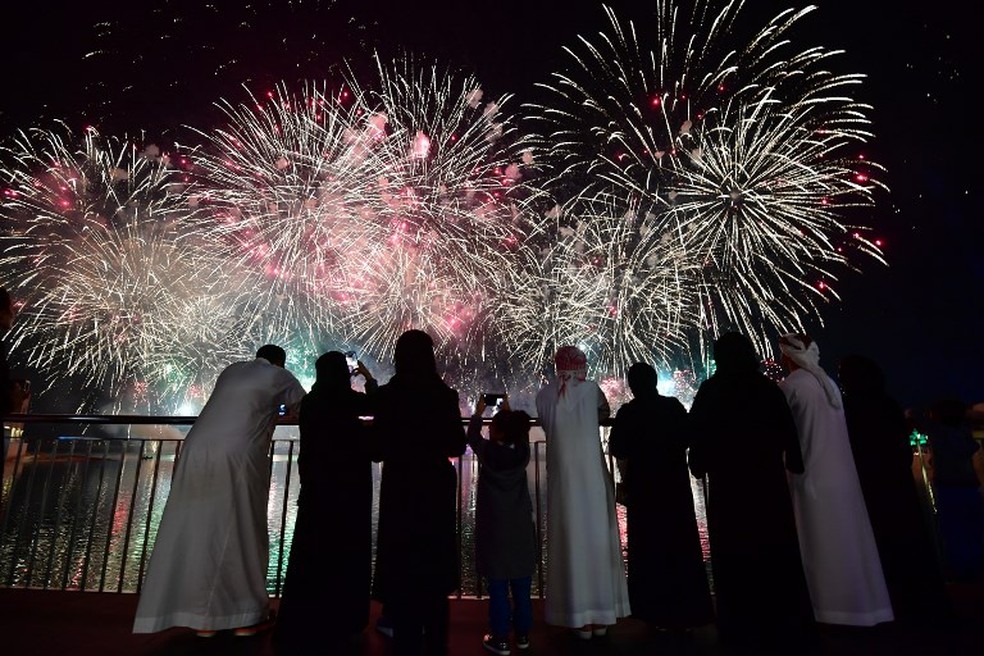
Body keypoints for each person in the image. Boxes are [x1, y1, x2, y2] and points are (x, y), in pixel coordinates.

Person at [132, 344, 307, 637]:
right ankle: (244, 614)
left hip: (195, 448)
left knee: (198, 529)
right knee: (242, 530)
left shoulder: (231, 371)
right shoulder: (279, 375)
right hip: (237, 456)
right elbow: (308, 408)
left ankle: (201, 617)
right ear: (280, 361)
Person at [687, 332, 816, 650]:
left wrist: (698, 464)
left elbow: (697, 434)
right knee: (776, 549)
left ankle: (738, 623)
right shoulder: (767, 388)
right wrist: (795, 463)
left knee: (733, 556)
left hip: (728, 487)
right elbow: (788, 431)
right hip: (768, 484)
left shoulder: (711, 390)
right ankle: (782, 619)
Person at [777, 333, 894, 626]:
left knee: (819, 544)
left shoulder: (790, 386)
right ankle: (868, 608)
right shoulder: (829, 383)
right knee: (851, 542)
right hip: (843, 476)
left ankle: (828, 610)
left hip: (811, 477)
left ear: (788, 356)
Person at [370, 329, 467, 656]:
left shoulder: (388, 395)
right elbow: (456, 444)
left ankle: (405, 638)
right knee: (434, 563)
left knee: (402, 563)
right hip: (435, 486)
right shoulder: (444, 395)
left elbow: (376, 448)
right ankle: (437, 641)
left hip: (401, 485)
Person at [273, 351, 378, 650]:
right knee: (346, 552)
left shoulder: (311, 401)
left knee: (312, 551)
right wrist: (368, 378)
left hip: (317, 489)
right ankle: (344, 619)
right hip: (349, 492)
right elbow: (377, 404)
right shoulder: (348, 399)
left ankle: (306, 617)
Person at [838, 354, 953, 622]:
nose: (841, 378)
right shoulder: (887, 403)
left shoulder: (850, 408)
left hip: (871, 486)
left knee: (883, 545)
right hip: (896, 485)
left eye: (844, 373)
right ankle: (924, 602)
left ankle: (894, 602)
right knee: (911, 540)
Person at [607, 362, 713, 633]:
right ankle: (687, 611)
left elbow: (617, 446)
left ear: (632, 385)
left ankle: (654, 613)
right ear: (654, 381)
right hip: (675, 488)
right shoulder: (673, 406)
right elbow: (688, 436)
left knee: (649, 550)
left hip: (644, 492)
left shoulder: (628, 413)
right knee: (681, 546)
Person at [534, 345, 629, 639]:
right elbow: (604, 412)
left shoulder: (544, 395)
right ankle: (600, 617)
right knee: (597, 541)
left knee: (569, 542)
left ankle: (575, 616)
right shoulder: (591, 391)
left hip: (563, 480)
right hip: (592, 477)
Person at [466, 395, 536, 656]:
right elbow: (520, 434)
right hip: (519, 527)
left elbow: (472, 436)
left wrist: (478, 411)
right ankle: (524, 635)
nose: (488, 428)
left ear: (497, 432)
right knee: (521, 584)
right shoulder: (522, 453)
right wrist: (506, 408)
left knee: (497, 586)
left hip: (494, 527)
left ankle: (500, 638)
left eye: (492, 426)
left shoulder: (488, 452)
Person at [923, 397, 984, 582]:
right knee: (972, 528)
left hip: (947, 486)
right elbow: (970, 447)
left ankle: (960, 569)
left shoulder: (937, 433)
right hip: (967, 485)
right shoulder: (963, 433)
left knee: (953, 531)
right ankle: (976, 565)